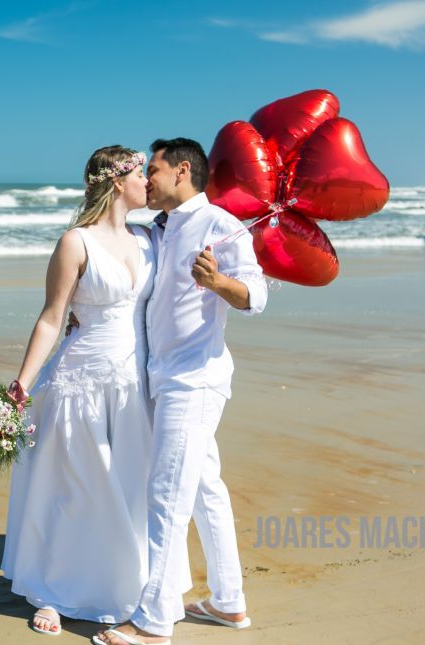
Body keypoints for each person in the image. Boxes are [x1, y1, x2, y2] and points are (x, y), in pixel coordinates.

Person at [94, 138, 267, 645]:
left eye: (153, 169)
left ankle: (152, 621)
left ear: (182, 170)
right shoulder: (157, 228)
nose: (146, 179)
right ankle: (228, 601)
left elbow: (255, 295)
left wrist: (219, 283)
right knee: (205, 489)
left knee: (167, 493)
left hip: (195, 379)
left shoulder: (220, 225)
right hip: (162, 376)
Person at [1, 145, 157, 636]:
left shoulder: (150, 238)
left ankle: (123, 586)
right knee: (77, 488)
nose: (149, 181)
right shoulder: (76, 242)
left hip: (134, 384)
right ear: (118, 182)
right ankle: (53, 591)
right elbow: (52, 317)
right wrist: (22, 384)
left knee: (126, 487)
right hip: (80, 381)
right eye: (141, 173)